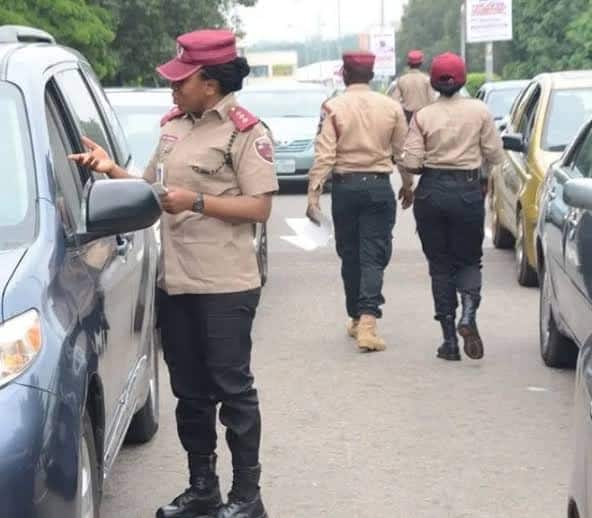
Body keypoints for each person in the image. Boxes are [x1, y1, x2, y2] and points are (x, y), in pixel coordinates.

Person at [69, 29, 277, 518]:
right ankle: (202, 488)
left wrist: (198, 201)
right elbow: (151, 190)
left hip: (225, 285)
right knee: (189, 392)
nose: (173, 88)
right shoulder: (173, 127)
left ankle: (248, 498)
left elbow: (260, 207)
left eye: (183, 80)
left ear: (210, 83)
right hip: (175, 282)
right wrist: (109, 171)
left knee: (233, 391)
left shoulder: (245, 132)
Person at [306, 50, 414, 353]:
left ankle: (357, 317)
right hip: (379, 187)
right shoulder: (391, 107)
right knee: (374, 255)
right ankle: (367, 321)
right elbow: (401, 153)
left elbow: (324, 155)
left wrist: (313, 195)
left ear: (343, 74)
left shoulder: (332, 107)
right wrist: (408, 185)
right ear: (372, 74)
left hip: (345, 188)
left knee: (350, 254)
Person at [401, 52, 504, 362]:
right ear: (462, 79)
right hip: (468, 192)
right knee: (470, 261)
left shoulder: (422, 116)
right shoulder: (480, 111)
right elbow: (495, 155)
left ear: (433, 81)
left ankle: (448, 341)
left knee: (440, 266)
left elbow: (412, 163)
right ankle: (469, 314)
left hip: (431, 195)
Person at [391, 50, 435, 123]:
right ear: (421, 63)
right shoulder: (427, 80)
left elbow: (395, 101)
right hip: (423, 116)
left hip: (407, 117)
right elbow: (432, 100)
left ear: (408, 63)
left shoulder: (402, 80)